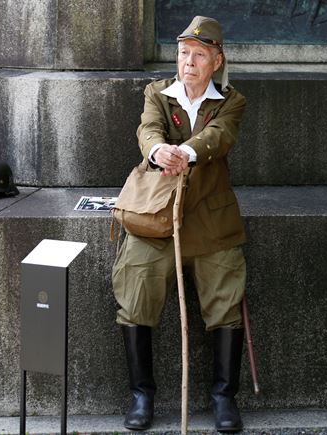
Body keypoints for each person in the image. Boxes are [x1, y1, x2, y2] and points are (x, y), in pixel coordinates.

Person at [112, 16, 247, 433]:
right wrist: (157, 151)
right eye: (184, 53)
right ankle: (142, 394)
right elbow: (147, 129)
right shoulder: (158, 94)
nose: (188, 61)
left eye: (199, 54)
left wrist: (185, 152)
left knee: (225, 304)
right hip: (156, 218)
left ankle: (224, 398)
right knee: (135, 294)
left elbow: (221, 137)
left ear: (216, 60)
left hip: (211, 219)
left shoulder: (231, 101)